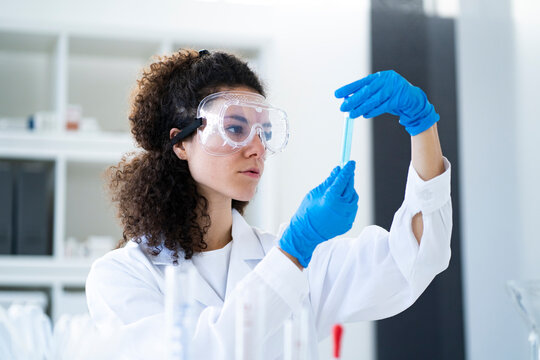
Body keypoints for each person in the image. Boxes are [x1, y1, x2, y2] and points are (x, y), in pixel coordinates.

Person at [85, 49, 452, 359]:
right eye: (235, 128)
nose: (257, 147)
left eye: (265, 131)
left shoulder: (297, 259)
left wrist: (422, 125)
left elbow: (416, 257)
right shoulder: (120, 276)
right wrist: (293, 251)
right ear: (180, 142)